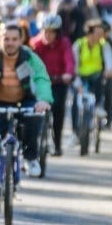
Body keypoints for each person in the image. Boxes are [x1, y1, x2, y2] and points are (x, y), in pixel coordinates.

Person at [0, 22, 52, 213]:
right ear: (0, 39)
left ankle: (31, 157)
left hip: (24, 102)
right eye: (6, 39)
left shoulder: (29, 57)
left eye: (15, 39)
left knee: (36, 115)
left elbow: (41, 78)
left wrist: (43, 100)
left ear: (21, 40)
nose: (10, 43)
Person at [30, 14, 74, 156]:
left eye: (51, 32)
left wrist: (68, 73)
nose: (47, 35)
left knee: (59, 111)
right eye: (45, 31)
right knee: (31, 113)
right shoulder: (35, 44)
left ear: (57, 33)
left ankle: (57, 144)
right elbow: (27, 62)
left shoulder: (64, 43)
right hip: (39, 84)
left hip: (58, 82)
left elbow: (69, 61)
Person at [70, 18, 112, 139]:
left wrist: (108, 70)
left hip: (96, 76)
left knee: (101, 82)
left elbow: (109, 61)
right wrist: (77, 81)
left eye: (101, 34)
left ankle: (98, 106)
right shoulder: (78, 45)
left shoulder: (103, 45)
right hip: (81, 76)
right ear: (89, 33)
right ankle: (75, 131)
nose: (100, 36)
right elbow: (73, 64)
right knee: (75, 100)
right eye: (97, 34)